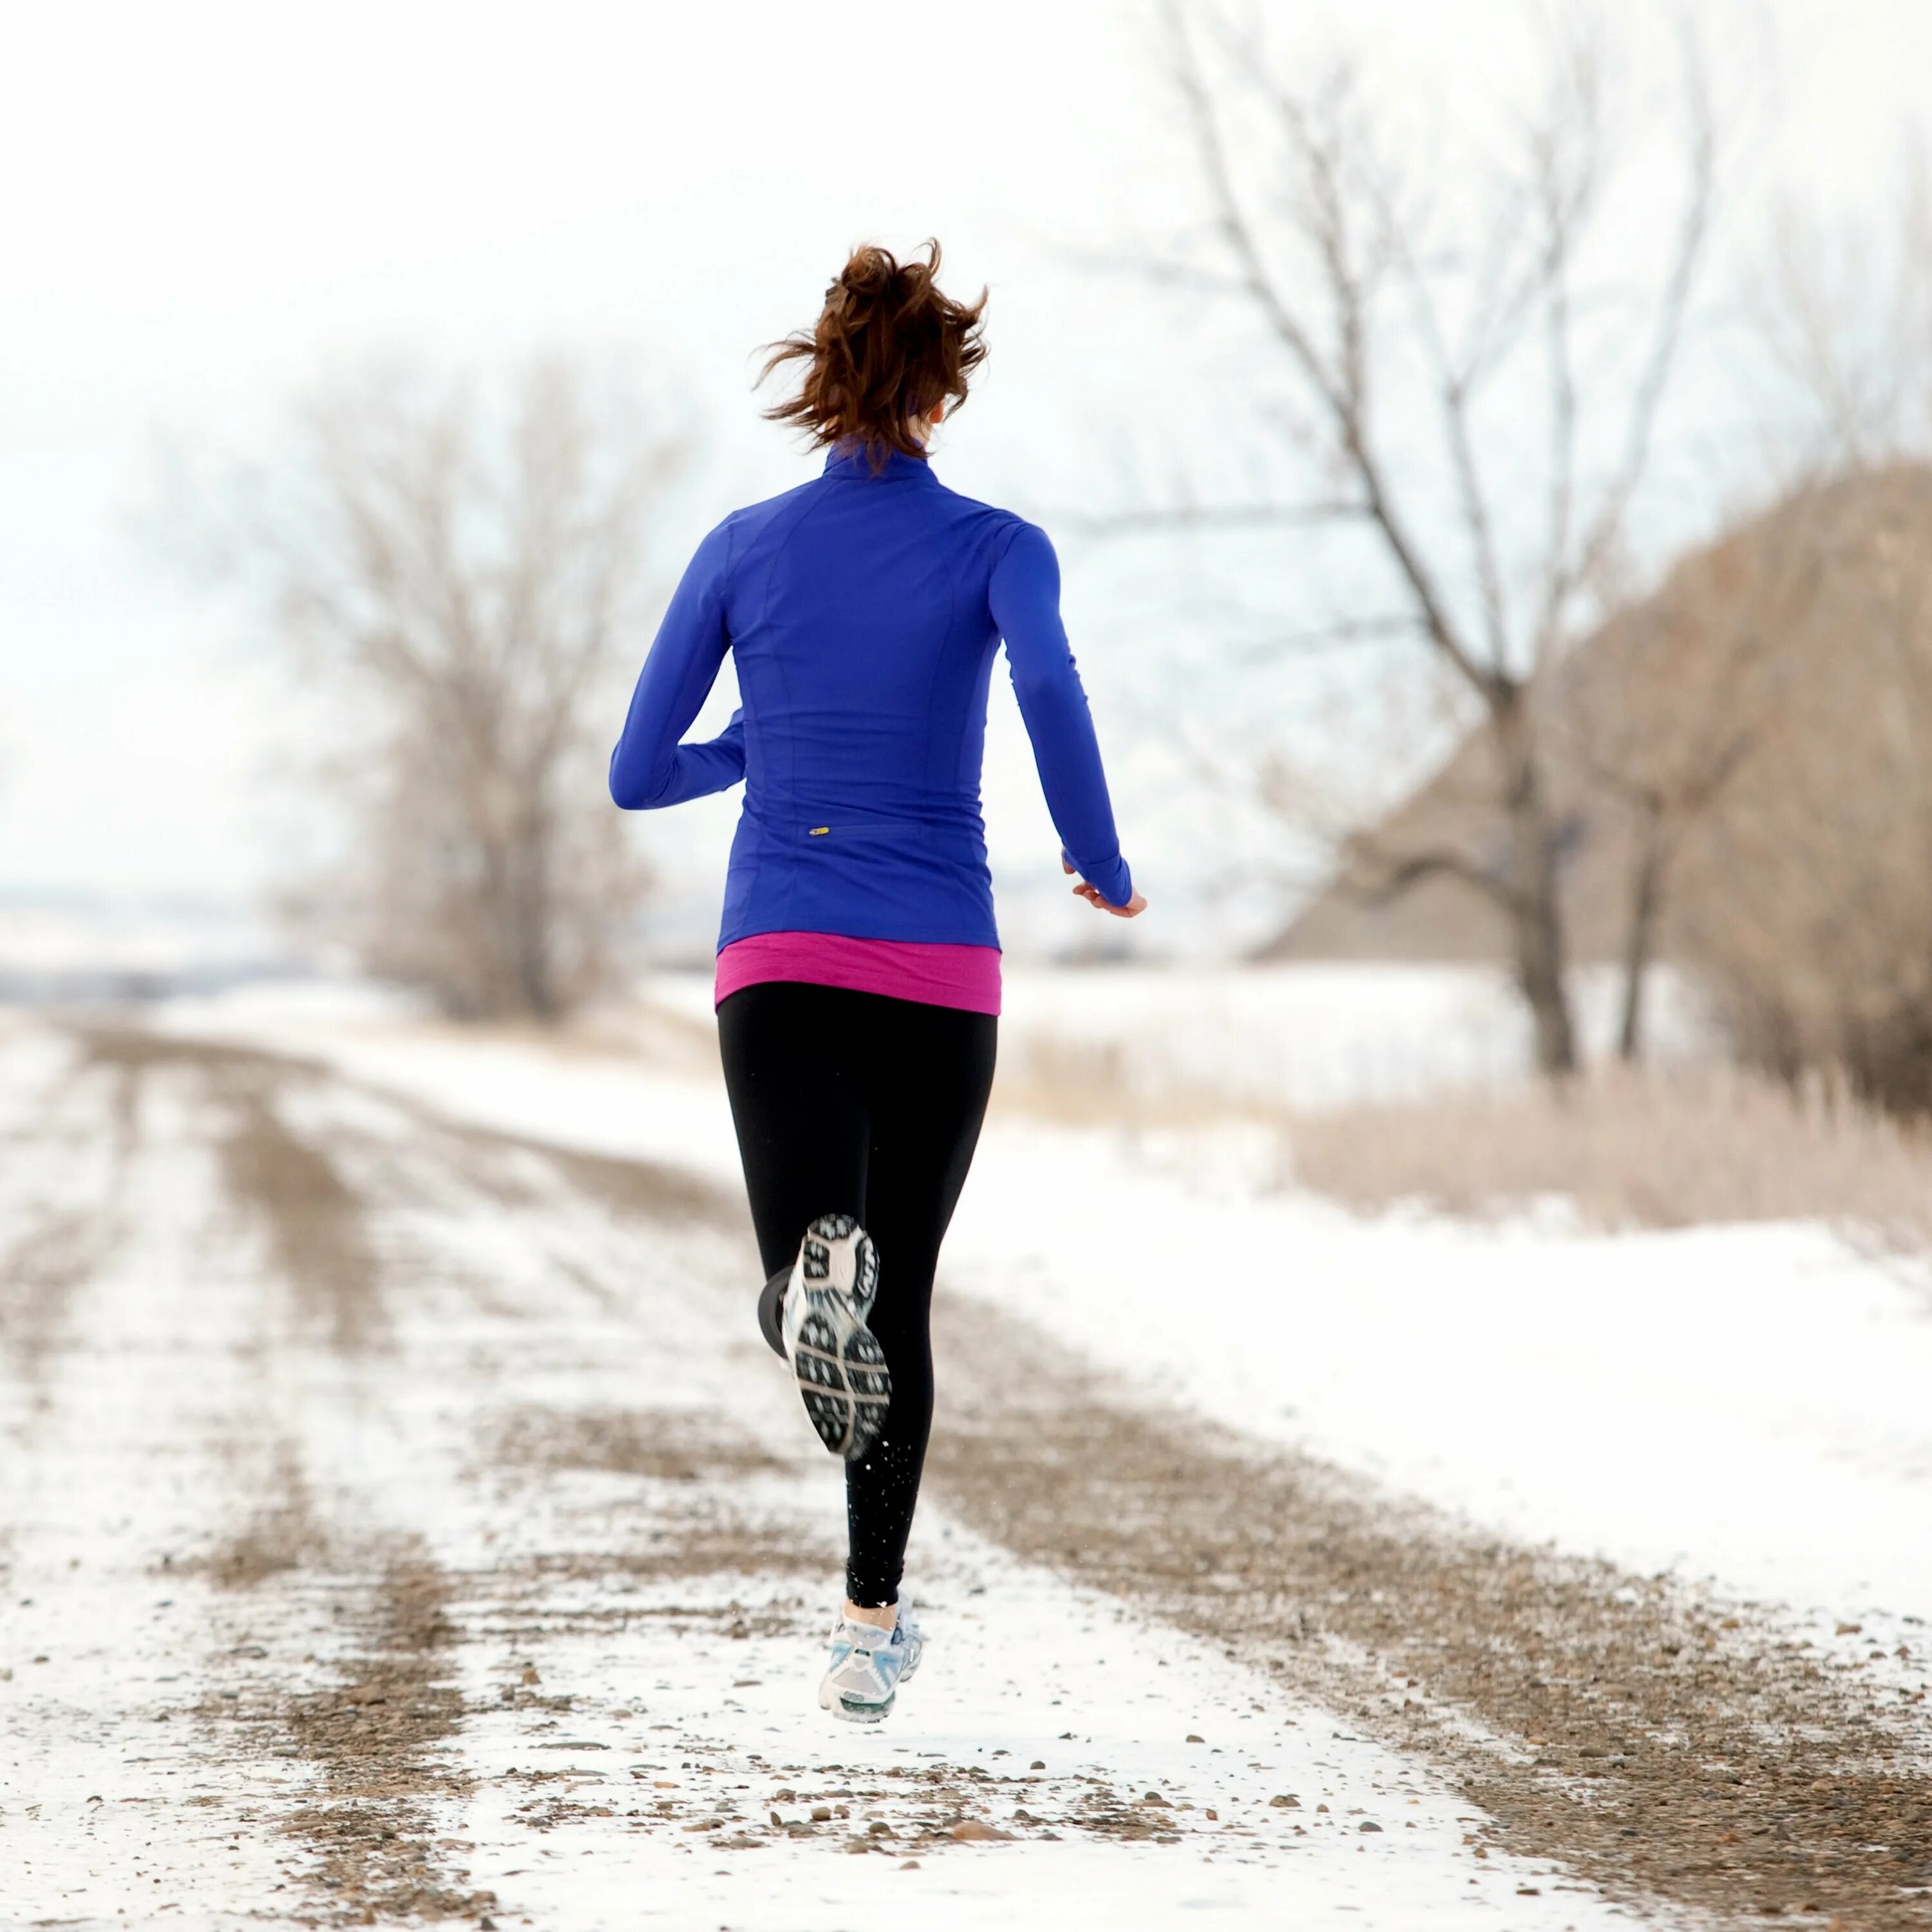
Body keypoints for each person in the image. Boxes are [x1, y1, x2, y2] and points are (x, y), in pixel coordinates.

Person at [609, 240, 1144, 1723]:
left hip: (780, 956)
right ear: (942, 390)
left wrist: (757, 752)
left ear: (825, 383)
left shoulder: (740, 547)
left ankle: (793, 1299)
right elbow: (1045, 685)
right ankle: (867, 1624)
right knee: (898, 1298)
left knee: (818, 1276)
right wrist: (1094, 854)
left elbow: (637, 773)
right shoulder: (1000, 547)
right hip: (939, 970)